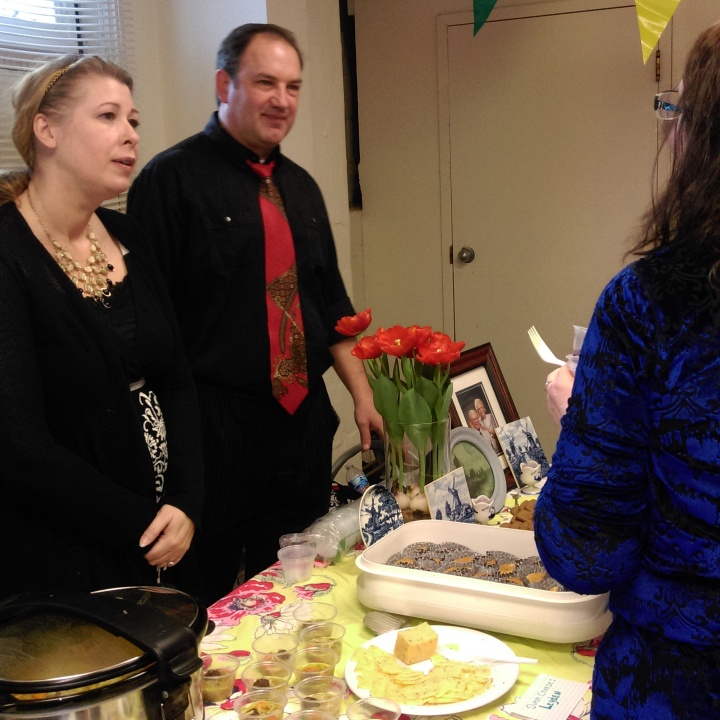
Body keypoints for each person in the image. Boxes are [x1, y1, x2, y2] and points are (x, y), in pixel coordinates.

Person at [127, 23, 382, 600]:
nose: (282, 100)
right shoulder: (170, 182)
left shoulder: (304, 189)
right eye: (265, 82)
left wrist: (363, 397)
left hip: (301, 425)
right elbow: (147, 323)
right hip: (214, 426)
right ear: (225, 84)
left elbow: (335, 311)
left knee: (298, 580)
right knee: (207, 588)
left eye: (292, 86)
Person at [534, 22, 720, 719]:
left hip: (677, 683)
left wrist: (582, 417)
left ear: (698, 138)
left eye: (674, 111)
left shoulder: (649, 303)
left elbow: (585, 555)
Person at [0, 55, 204, 600]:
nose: (130, 136)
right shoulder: (8, 253)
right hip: (61, 553)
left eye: (134, 121)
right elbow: (18, 446)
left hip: (161, 533)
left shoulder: (126, 231)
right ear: (47, 130)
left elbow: (177, 379)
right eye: (109, 117)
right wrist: (143, 523)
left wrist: (184, 501)